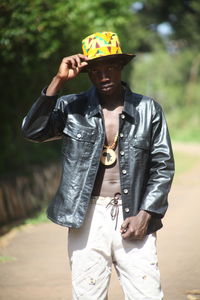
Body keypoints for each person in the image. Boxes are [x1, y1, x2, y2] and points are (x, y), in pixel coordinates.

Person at [22, 32, 175, 300]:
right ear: (88, 73)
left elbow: (163, 166)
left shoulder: (149, 109)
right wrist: (58, 80)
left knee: (147, 294)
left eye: (110, 68)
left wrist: (147, 213)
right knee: (88, 295)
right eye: (95, 70)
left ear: (121, 67)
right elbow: (33, 130)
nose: (103, 76)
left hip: (134, 212)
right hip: (87, 216)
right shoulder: (71, 107)